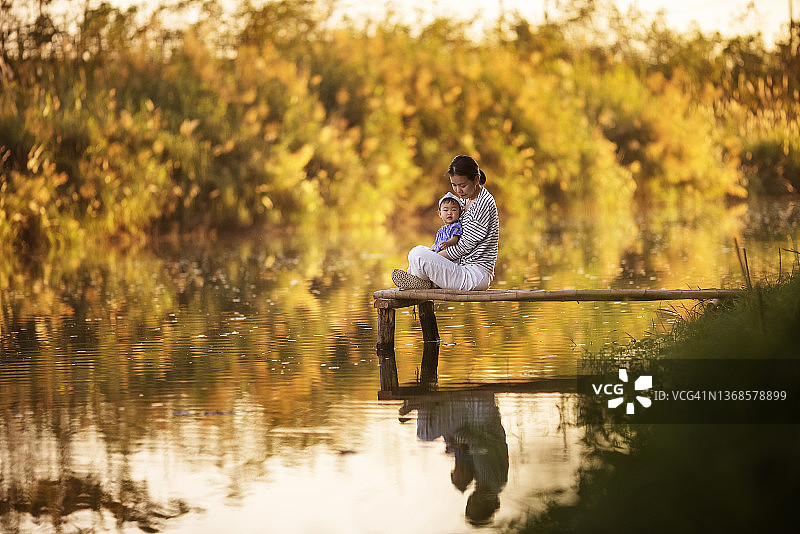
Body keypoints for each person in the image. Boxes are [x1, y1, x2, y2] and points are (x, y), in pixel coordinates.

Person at [392, 155, 499, 291]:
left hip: (474, 275)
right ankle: (422, 282)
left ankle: (422, 281)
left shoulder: (482, 204)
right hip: (460, 266)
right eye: (454, 185)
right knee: (419, 252)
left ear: (476, 180)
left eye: (463, 185)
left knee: (417, 255)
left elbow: (463, 247)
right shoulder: (466, 199)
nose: (458, 191)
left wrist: (434, 256)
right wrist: (432, 252)